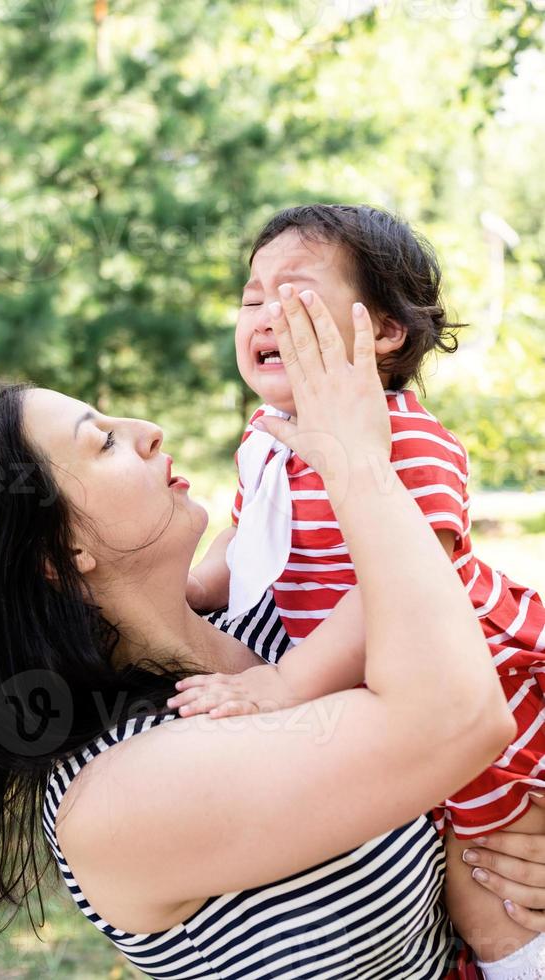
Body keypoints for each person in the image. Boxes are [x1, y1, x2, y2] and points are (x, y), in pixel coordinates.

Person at [0, 299, 537, 979]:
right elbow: (457, 719)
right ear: (59, 553)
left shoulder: (278, 623)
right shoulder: (114, 796)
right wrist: (359, 464)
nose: (148, 430)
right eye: (103, 441)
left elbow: (479, 719)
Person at [181, 205, 545, 973]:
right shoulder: (263, 436)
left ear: (385, 332)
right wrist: (187, 588)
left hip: (476, 687)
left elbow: (396, 588)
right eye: (252, 298)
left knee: (488, 884)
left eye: (296, 293)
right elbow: (245, 545)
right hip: (376, 696)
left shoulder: (406, 438)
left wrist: (286, 682)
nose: (264, 313)